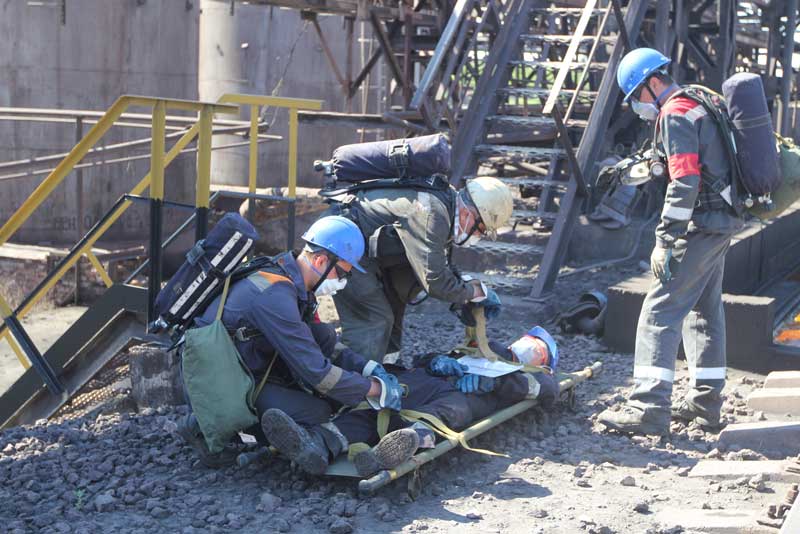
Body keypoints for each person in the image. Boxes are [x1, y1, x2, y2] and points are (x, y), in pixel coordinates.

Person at [598, 48, 744, 436]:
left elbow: (685, 181)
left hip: (701, 224)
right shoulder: (701, 97)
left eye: (635, 98)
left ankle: (648, 408)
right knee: (704, 311)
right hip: (724, 219)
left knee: (659, 310)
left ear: (652, 83)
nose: (635, 107)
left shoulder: (674, 113)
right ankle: (705, 405)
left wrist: (665, 240)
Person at [179, 216, 405, 465]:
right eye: (342, 274)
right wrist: (375, 389)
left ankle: (247, 424)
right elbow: (317, 374)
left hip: (246, 367)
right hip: (220, 382)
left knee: (324, 363)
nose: (342, 283)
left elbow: (322, 343)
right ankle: (204, 424)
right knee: (317, 410)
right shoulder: (275, 294)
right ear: (320, 260)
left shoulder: (289, 279)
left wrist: (366, 367)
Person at [261, 348, 559, 477]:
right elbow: (423, 358)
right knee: (376, 407)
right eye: (528, 344)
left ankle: (389, 453)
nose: (527, 348)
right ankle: (318, 444)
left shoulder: (534, 373)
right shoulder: (484, 346)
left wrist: (494, 382)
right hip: (424, 381)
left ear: (544, 360)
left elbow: (545, 389)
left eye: (537, 349)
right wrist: (436, 360)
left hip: (462, 398)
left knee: (441, 415)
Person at [328, 176, 514, 363]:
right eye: (481, 229)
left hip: (365, 249)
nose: (478, 236)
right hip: (342, 243)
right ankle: (351, 382)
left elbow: (437, 262)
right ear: (469, 214)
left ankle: (387, 369)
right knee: (373, 319)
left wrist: (465, 286)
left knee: (393, 307)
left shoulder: (445, 205)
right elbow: (435, 281)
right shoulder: (432, 214)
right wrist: (474, 292)